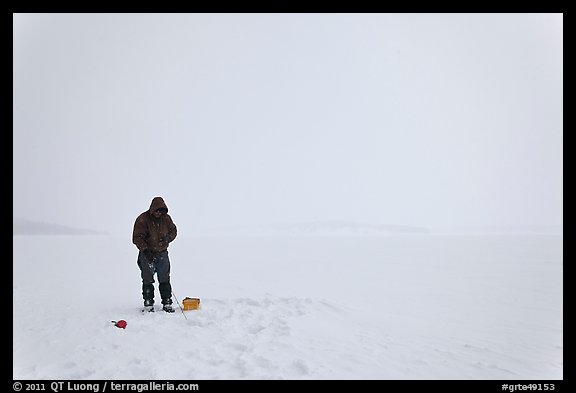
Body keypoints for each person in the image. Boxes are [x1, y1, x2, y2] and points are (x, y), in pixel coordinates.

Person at [132, 196, 178, 312]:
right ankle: (148, 304)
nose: (159, 213)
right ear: (152, 209)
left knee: (164, 278)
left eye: (161, 211)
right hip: (147, 255)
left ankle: (167, 302)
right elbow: (136, 237)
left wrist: (168, 238)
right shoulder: (142, 219)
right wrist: (146, 250)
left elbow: (174, 230)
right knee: (147, 279)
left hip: (162, 254)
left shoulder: (166, 219)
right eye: (157, 211)